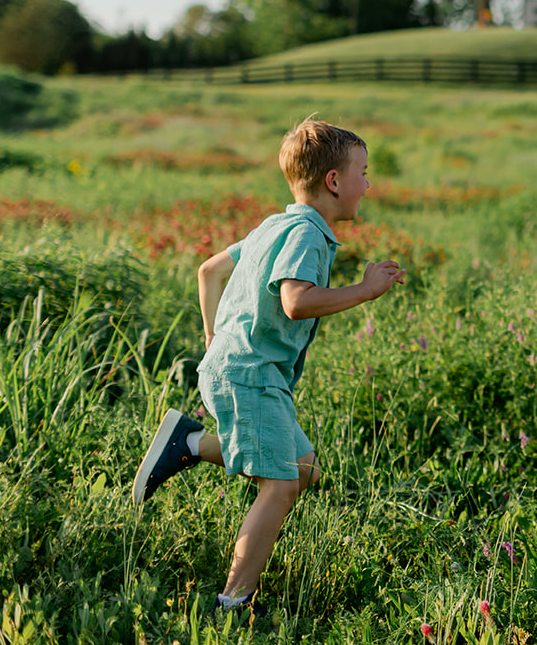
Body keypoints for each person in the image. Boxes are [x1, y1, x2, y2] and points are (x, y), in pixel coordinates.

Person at [131, 118, 405, 615]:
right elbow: (296, 302)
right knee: (279, 486)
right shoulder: (304, 234)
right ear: (334, 181)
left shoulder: (275, 225)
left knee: (303, 470)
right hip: (250, 375)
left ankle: (188, 444)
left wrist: (217, 340)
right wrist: (365, 289)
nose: (369, 183)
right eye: (363, 172)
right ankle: (231, 603)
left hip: (244, 370)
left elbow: (209, 270)